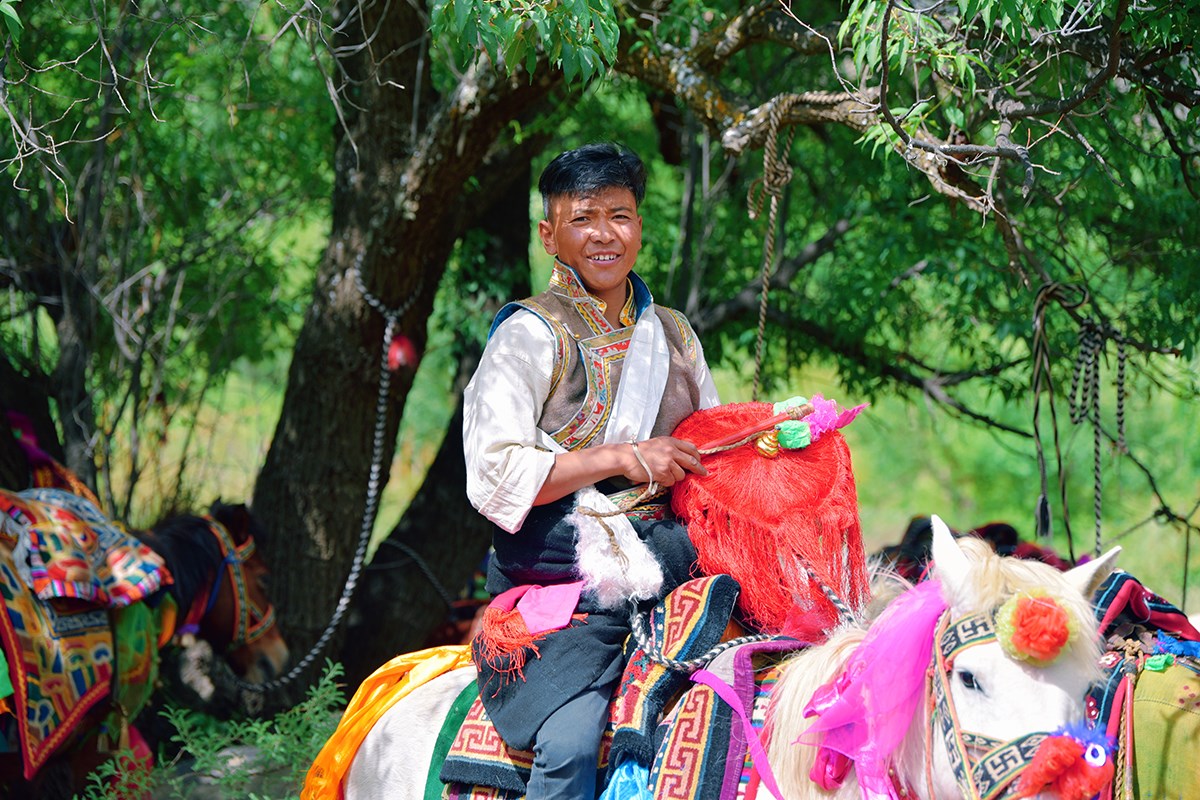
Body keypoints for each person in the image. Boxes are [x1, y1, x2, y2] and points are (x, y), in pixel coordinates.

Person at [460, 142, 721, 798]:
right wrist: (622, 459)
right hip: (566, 578)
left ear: (639, 226)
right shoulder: (528, 334)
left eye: (620, 215)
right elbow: (494, 474)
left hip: (671, 563)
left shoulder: (676, 335)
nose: (604, 234)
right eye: (583, 218)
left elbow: (712, 444)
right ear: (549, 234)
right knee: (573, 743)